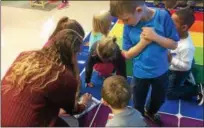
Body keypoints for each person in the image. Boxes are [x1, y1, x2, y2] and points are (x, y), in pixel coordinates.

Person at [1, 26, 92, 126]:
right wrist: (84, 103)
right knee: (71, 124)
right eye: (77, 53)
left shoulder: (24, 55)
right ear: (72, 54)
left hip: (3, 115)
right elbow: (72, 109)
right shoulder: (65, 77)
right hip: (28, 123)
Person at [110, 0, 179, 125]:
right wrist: (143, 43)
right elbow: (126, 54)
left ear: (139, 10)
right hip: (140, 74)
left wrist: (156, 37)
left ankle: (151, 112)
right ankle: (139, 118)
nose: (123, 23)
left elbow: (174, 44)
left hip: (161, 71)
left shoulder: (163, 16)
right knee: (138, 102)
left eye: (125, 19)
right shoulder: (128, 26)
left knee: (158, 99)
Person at [167, 7, 204, 105]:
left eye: (172, 24)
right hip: (183, 60)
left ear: (184, 27)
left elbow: (185, 66)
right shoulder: (176, 33)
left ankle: (196, 89)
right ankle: (187, 77)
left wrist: (171, 59)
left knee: (170, 93)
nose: (168, 25)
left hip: (180, 69)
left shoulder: (187, 46)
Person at [86, 11, 114, 87]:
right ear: (105, 25)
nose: (111, 24)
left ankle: (103, 72)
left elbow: (88, 65)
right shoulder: (104, 38)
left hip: (95, 62)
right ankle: (106, 74)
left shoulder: (93, 32)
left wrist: (87, 81)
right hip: (103, 64)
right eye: (110, 22)